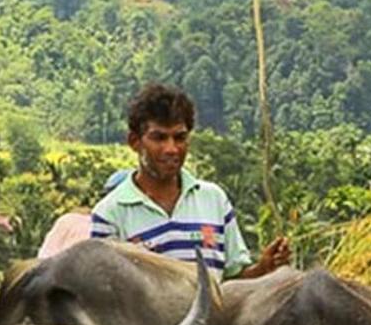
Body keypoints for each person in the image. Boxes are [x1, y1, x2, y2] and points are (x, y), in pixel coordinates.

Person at [89, 82, 290, 279]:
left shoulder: (214, 199)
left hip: (216, 314)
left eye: (179, 137)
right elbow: (106, 300)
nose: (171, 149)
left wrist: (263, 268)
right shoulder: (110, 214)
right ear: (134, 142)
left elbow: (231, 283)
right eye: (159, 138)